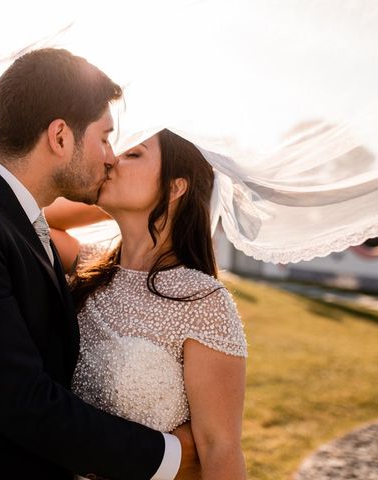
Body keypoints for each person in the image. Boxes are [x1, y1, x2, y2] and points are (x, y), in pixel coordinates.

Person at [0, 48, 197, 480]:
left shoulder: (11, 218)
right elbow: (22, 401)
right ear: (60, 136)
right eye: (104, 138)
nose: (110, 157)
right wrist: (170, 457)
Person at [46, 128, 249, 479]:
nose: (111, 159)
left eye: (133, 154)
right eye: (116, 152)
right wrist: (103, 196)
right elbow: (38, 217)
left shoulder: (202, 300)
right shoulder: (87, 264)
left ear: (175, 186)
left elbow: (219, 448)